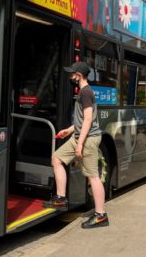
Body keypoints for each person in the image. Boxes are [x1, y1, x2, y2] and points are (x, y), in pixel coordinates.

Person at [44, 61, 108, 229]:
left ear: (78, 76)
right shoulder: (83, 92)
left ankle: (101, 215)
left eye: (72, 73)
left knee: (92, 176)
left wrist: (79, 144)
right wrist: (70, 130)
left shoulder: (86, 93)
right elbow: (83, 120)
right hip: (80, 136)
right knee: (57, 158)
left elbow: (88, 119)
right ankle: (61, 198)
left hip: (88, 139)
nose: (70, 76)